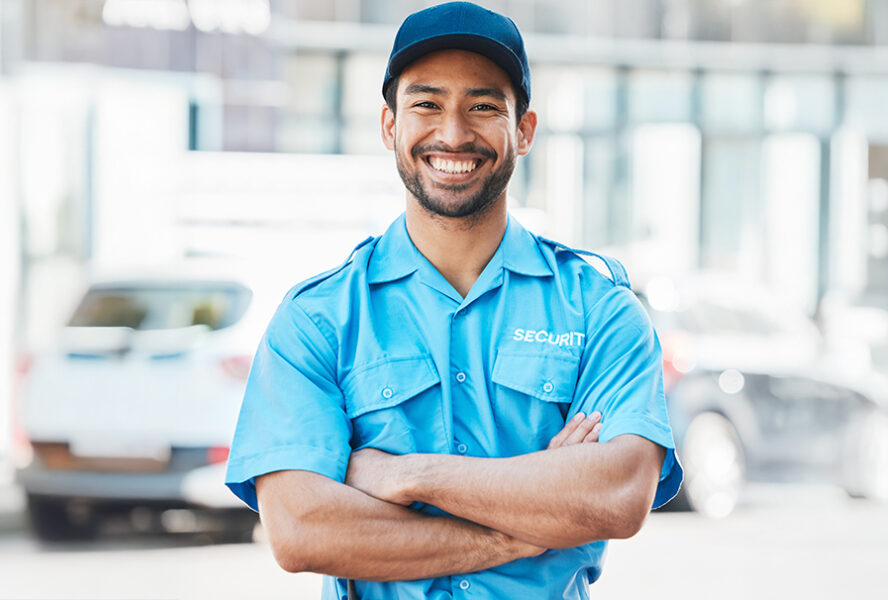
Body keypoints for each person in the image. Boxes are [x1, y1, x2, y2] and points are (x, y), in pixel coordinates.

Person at [225, 2, 683, 598]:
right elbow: (302, 529)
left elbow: (617, 496)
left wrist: (401, 475)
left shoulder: (599, 311)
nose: (453, 133)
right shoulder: (319, 320)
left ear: (524, 129)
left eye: (484, 106)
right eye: (426, 104)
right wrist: (519, 531)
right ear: (390, 125)